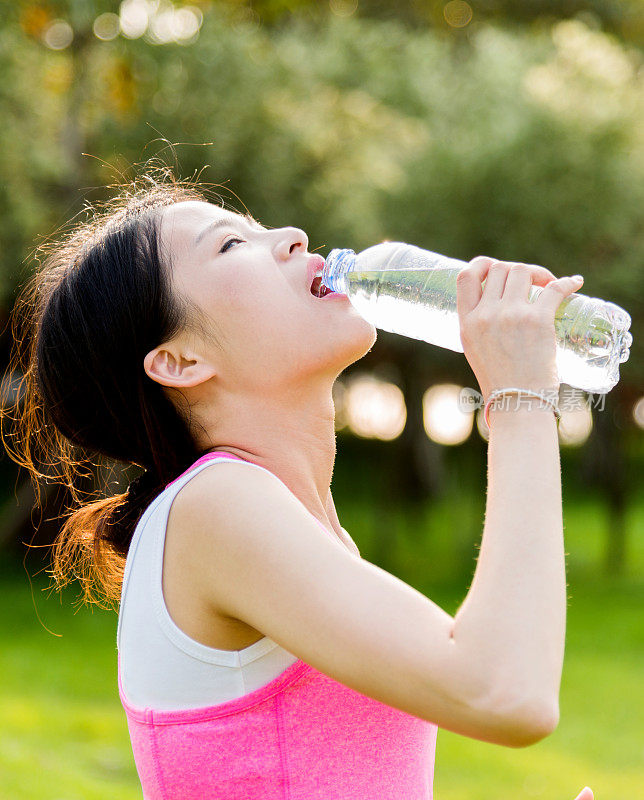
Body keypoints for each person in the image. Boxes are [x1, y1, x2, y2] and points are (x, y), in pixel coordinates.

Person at [1, 174, 594, 800]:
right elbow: (506, 692)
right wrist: (520, 396)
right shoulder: (214, 509)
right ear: (179, 360)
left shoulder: (287, 527)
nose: (291, 236)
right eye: (230, 246)